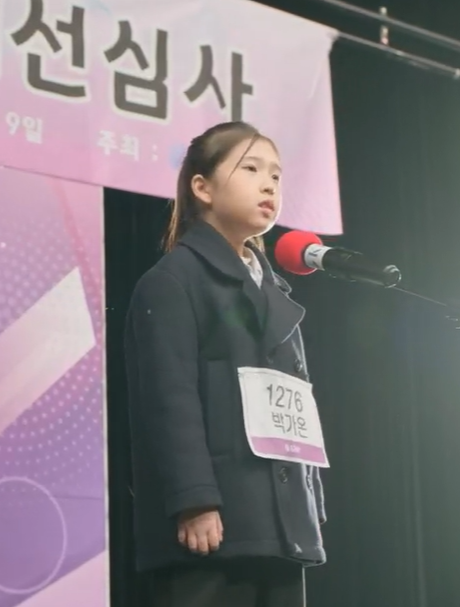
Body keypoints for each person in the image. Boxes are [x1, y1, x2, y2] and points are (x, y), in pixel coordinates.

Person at [124, 121, 327, 607]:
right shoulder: (173, 281)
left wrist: (310, 501)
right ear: (203, 187)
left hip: (280, 525)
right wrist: (194, 500)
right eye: (251, 169)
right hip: (212, 527)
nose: (269, 185)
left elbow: (293, 402)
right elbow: (169, 399)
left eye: (276, 175)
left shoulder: (275, 291)